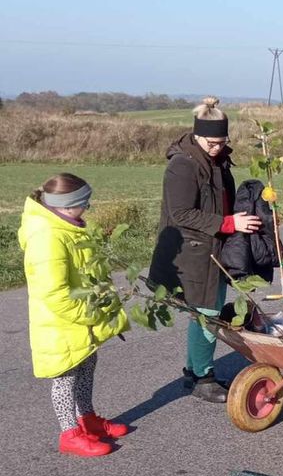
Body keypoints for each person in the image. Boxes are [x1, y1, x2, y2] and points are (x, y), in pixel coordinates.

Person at [149, 98, 261, 402]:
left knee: (204, 313)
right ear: (197, 136)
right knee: (208, 315)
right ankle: (202, 378)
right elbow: (181, 213)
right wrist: (228, 224)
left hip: (214, 248)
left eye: (222, 142)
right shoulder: (183, 166)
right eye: (212, 142)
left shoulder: (217, 159)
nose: (217, 147)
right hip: (192, 253)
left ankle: (194, 370)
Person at [18, 174, 130, 457]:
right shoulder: (47, 237)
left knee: (87, 365)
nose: (88, 208)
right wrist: (92, 314)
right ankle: (69, 432)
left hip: (79, 323)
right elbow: (54, 294)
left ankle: (88, 420)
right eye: (85, 203)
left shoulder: (70, 227)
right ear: (67, 206)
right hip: (63, 323)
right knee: (65, 379)